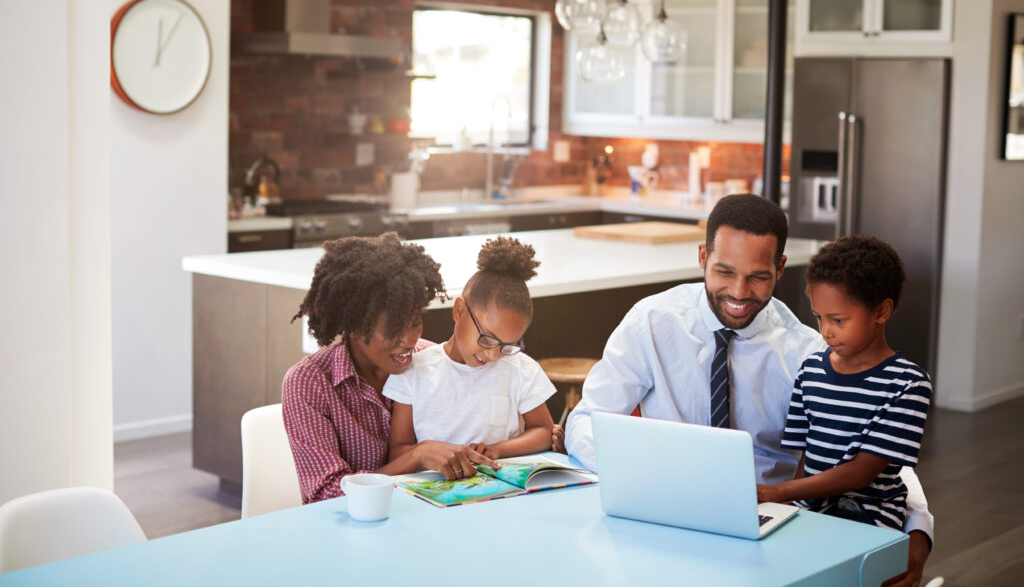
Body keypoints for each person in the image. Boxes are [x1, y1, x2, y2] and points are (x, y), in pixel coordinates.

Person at [565, 193, 933, 587]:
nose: (739, 292)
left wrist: (918, 533)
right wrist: (646, 474)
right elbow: (587, 420)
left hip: (771, 521)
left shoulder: (809, 352)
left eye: (758, 277)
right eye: (725, 271)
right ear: (703, 256)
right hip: (667, 511)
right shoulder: (652, 321)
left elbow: (878, 460)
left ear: (780, 268)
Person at [281, 233, 562, 504]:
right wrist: (417, 455)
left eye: (415, 321)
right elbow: (325, 497)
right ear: (354, 324)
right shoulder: (309, 383)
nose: (409, 340)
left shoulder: (427, 358)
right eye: (392, 329)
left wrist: (544, 436)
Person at [757, 235, 932, 532]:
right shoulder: (810, 369)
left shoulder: (908, 383)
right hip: (809, 506)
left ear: (881, 311)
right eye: (819, 317)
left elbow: (861, 473)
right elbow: (805, 457)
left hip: (870, 516)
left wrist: (778, 492)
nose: (825, 331)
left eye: (839, 320)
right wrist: (789, 504)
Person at [384, 236, 557, 480]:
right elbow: (399, 451)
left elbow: (543, 430)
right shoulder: (415, 372)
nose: (493, 354)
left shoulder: (519, 369)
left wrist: (498, 449)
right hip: (432, 494)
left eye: (507, 346)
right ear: (459, 311)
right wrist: (429, 454)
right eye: (487, 338)